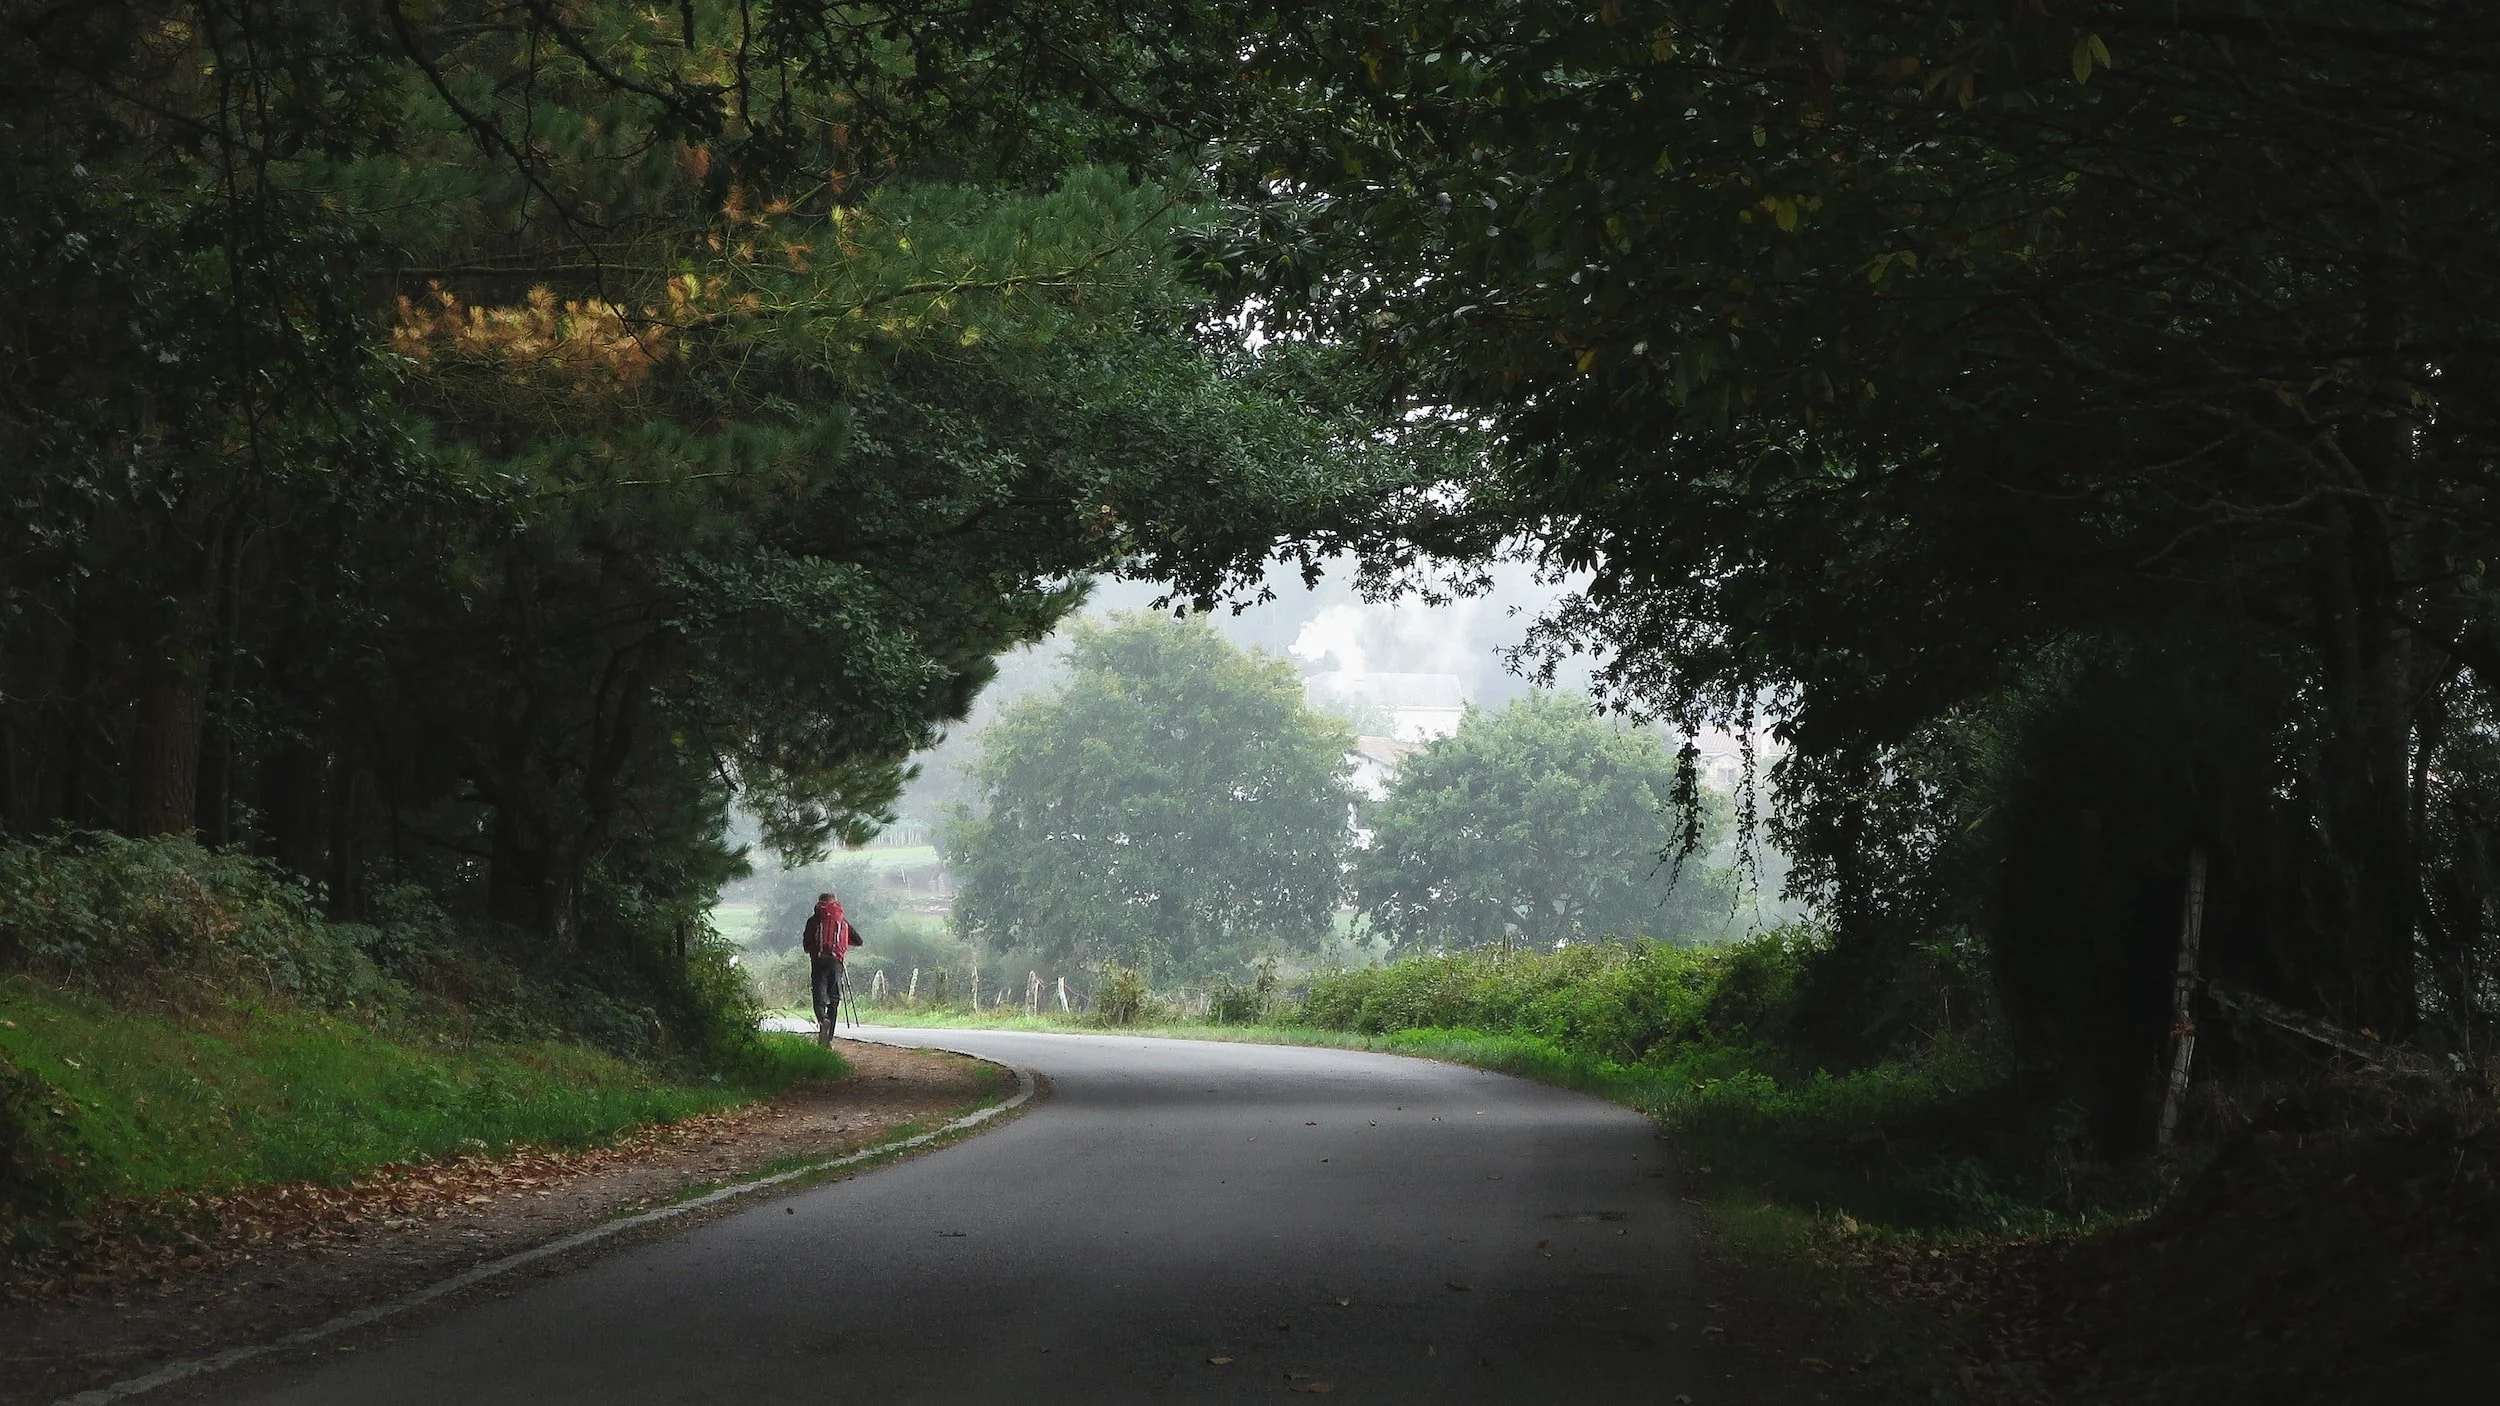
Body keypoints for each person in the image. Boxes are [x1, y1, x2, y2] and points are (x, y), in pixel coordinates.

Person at [801, 891, 864, 1043]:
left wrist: (816, 949)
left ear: (820, 903)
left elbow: (806, 946)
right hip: (836, 962)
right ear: (835, 903)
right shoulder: (842, 921)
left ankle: (823, 1020)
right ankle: (828, 1040)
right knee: (834, 998)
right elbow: (859, 941)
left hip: (818, 961)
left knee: (819, 995)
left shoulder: (814, 920)